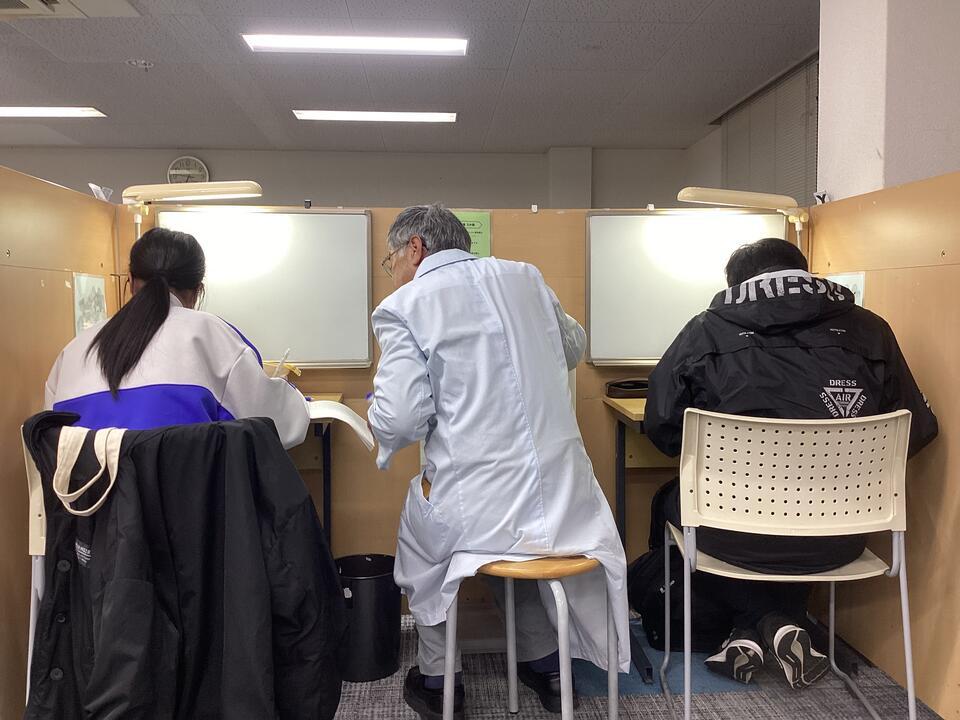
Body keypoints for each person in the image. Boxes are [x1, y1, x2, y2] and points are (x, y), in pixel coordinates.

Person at [368, 204, 627, 720]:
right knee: (514, 546)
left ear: (415, 248)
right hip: (567, 504)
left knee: (425, 547)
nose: (392, 270)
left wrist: (383, 415)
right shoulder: (525, 276)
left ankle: (439, 680)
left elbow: (400, 421)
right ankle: (545, 664)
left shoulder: (405, 304)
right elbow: (572, 347)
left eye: (390, 259)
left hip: (478, 509)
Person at [645, 237, 938, 689]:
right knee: (788, 524)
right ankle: (775, 624)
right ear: (804, 272)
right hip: (840, 537)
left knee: (672, 501)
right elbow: (917, 431)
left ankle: (760, 623)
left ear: (739, 285)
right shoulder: (872, 329)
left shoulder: (706, 330)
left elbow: (662, 429)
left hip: (730, 536)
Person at [45, 227, 309, 449]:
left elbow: (51, 444)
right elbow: (281, 426)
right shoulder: (210, 335)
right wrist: (297, 401)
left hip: (91, 496)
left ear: (130, 281)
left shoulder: (74, 350)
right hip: (191, 497)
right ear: (197, 290)